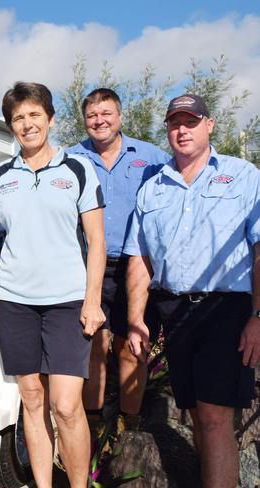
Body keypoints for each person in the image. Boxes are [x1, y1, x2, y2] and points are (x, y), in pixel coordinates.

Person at [0, 81, 106, 488]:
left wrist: (92, 300)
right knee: (32, 399)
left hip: (68, 301)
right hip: (13, 301)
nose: (27, 124)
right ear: (10, 126)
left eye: (33, 115)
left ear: (49, 117)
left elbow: (97, 240)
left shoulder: (78, 169)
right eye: (18, 118)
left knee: (65, 406)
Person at [124, 94, 260, 488]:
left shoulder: (244, 176)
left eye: (191, 121)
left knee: (216, 416)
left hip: (226, 309)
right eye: (174, 123)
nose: (182, 130)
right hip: (174, 312)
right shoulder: (153, 188)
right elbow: (139, 260)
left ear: (209, 125)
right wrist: (135, 320)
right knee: (197, 414)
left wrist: (257, 316)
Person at [68, 88, 170, 434]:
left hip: (137, 266)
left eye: (106, 113)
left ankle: (131, 421)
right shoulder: (71, 158)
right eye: (93, 115)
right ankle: (94, 423)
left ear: (120, 117)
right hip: (88, 266)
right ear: (85, 121)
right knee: (94, 343)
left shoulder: (152, 156)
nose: (100, 121)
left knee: (132, 346)